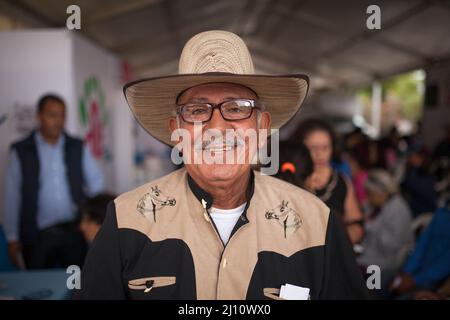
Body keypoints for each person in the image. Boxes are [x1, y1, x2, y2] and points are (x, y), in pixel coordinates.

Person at [75, 30, 368, 300]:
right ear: (176, 131)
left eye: (237, 108)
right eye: (197, 110)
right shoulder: (126, 221)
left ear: (262, 127)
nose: (217, 127)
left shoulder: (317, 223)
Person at [3, 94, 104, 269]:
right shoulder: (21, 151)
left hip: (74, 231)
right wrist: (12, 237)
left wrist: (95, 219)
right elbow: (12, 197)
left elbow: (97, 184)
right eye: (52, 115)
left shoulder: (77, 147)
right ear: (39, 116)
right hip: (37, 235)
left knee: (77, 282)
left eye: (62, 115)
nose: (58, 121)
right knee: (38, 287)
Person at [296, 119, 364, 244]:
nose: (319, 154)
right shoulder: (293, 180)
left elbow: (356, 222)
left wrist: (339, 242)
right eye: (313, 148)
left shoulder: (341, 181)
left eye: (325, 148)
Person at [357, 169, 413, 290]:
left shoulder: (397, 209)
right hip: (370, 253)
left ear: (383, 193)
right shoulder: (377, 205)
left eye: (371, 194)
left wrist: (370, 226)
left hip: (387, 261)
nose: (368, 198)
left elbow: (390, 247)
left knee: (357, 277)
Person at [390, 205, 450, 298]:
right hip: (414, 271)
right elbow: (423, 243)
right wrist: (407, 271)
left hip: (434, 281)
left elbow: (444, 265)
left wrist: (415, 280)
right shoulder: (442, 212)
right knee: (382, 283)